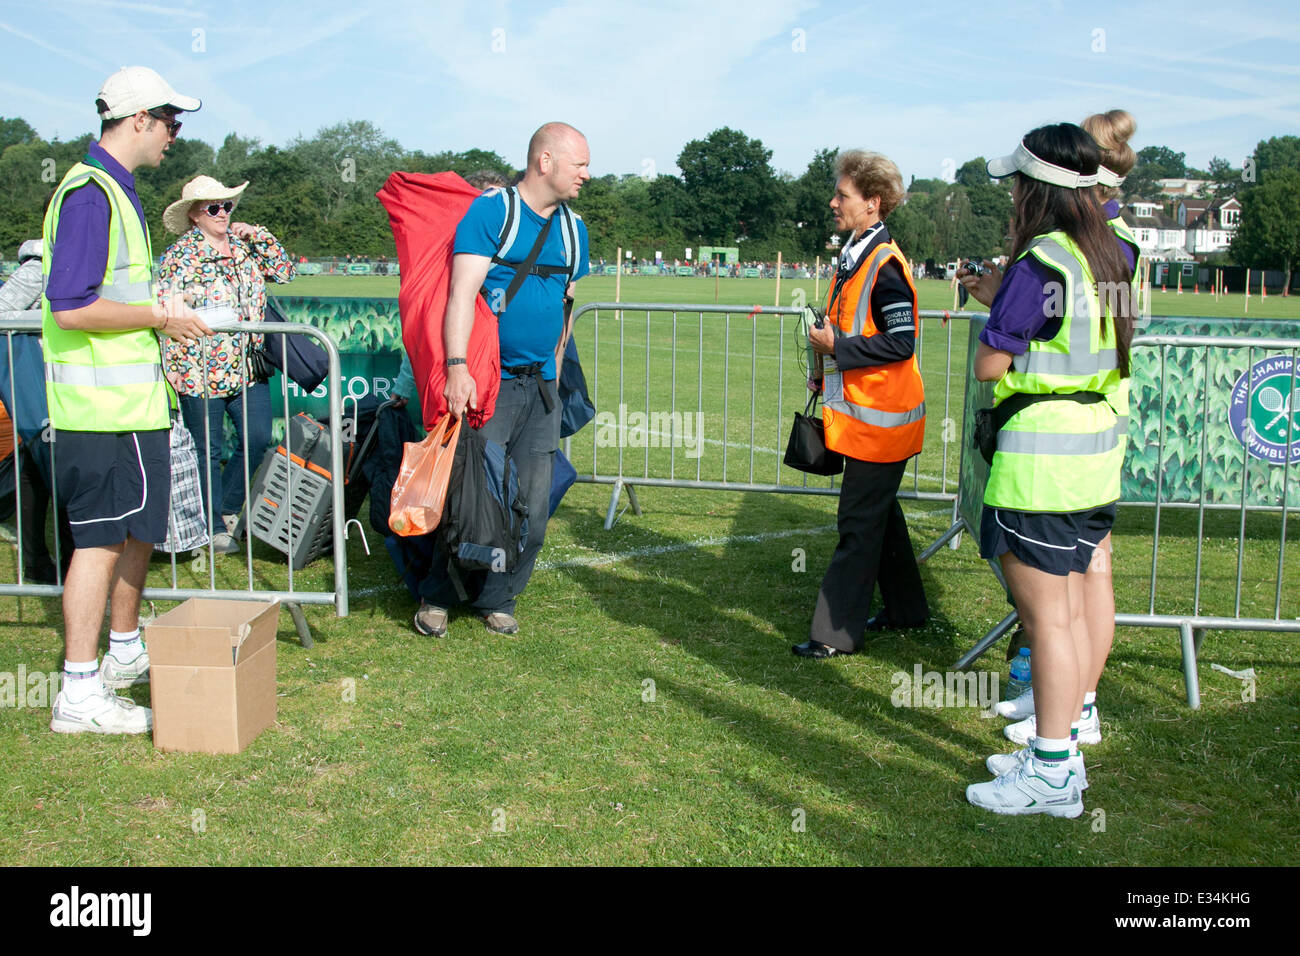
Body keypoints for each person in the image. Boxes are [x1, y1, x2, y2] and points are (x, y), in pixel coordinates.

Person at [959, 124, 1137, 817]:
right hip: (1095, 456)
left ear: (1036, 189)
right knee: (1081, 597)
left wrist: (1001, 300)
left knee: (1048, 621)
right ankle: (1061, 744)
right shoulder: (1113, 253)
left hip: (1041, 461)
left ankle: (1054, 771)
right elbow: (1098, 340)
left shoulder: (1042, 262)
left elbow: (992, 362)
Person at [42, 66, 211, 734]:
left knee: (134, 532)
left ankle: (119, 652)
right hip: (99, 415)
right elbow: (72, 306)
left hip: (130, 410)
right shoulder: (91, 194)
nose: (175, 135)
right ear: (138, 118)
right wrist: (161, 317)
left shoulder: (115, 191)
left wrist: (159, 310)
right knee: (99, 544)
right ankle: (79, 692)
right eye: (171, 122)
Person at [419, 122, 590, 637]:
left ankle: (500, 596)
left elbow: (565, 308)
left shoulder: (574, 228)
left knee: (533, 506)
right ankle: (438, 596)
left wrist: (555, 378)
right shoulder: (493, 212)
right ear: (545, 161)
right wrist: (457, 368)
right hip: (486, 384)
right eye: (579, 163)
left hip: (539, 389)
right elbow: (460, 294)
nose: (586, 173)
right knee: (470, 496)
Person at [792, 150, 929, 659]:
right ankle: (906, 609)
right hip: (866, 419)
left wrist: (837, 350)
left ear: (872, 203)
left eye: (842, 195)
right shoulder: (857, 254)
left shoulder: (885, 265)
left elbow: (902, 342)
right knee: (878, 516)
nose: (833, 202)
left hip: (883, 425)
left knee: (857, 524)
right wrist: (825, 368)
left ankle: (834, 636)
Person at [156, 175, 296, 552]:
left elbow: (284, 272)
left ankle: (229, 505)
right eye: (213, 208)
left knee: (258, 438)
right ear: (194, 216)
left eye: (227, 206)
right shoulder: (178, 256)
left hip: (248, 366)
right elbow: (166, 308)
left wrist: (258, 235)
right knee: (207, 449)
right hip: (198, 367)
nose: (223, 213)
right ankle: (214, 523)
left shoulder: (244, 247)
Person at [0, 239, 75, 583]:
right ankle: (48, 561)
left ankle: (56, 560)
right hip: (44, 389)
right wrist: (54, 317)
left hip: (69, 386)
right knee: (46, 471)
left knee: (46, 471)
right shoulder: (37, 268)